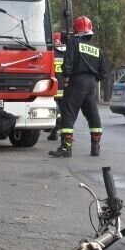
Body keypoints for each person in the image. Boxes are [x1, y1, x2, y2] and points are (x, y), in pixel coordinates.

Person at [49, 16, 107, 158]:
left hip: (76, 81)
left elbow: (67, 63)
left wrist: (67, 77)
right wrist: (93, 79)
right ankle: (95, 147)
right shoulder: (96, 49)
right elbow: (103, 72)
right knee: (93, 115)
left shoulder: (73, 42)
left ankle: (66, 148)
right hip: (91, 84)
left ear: (76, 29)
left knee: (68, 113)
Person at [47, 32, 67, 141]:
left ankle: (55, 131)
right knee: (65, 112)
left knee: (56, 111)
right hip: (66, 88)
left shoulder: (52, 53)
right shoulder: (69, 53)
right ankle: (62, 133)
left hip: (55, 88)